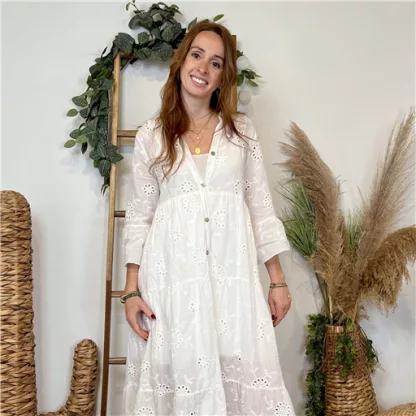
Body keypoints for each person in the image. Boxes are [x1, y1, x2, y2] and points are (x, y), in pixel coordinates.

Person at [122, 19, 295, 416]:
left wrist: (278, 281)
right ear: (181, 62)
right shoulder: (152, 135)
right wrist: (131, 291)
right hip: (172, 285)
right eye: (197, 56)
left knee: (240, 380)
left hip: (232, 287)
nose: (203, 68)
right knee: (180, 381)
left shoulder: (241, 133)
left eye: (215, 63)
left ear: (222, 77)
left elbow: (260, 206)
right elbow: (139, 216)